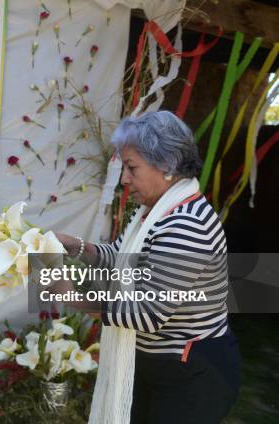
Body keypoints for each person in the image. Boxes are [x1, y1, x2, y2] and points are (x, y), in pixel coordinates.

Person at [56, 111, 240, 423]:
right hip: (155, 364)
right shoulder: (153, 210)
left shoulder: (187, 224)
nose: (124, 178)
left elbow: (146, 314)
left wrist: (71, 296)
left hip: (191, 374)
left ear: (166, 166)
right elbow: (120, 256)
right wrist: (79, 247)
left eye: (132, 168)